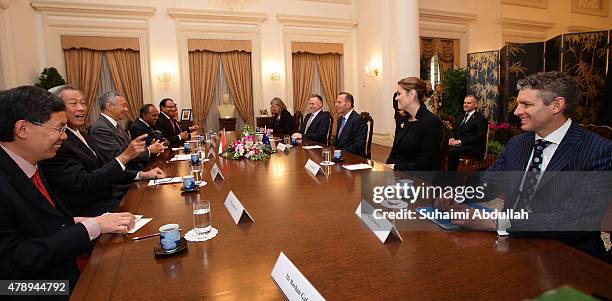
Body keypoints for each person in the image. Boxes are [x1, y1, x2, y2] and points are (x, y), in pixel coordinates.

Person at [435, 71, 612, 262]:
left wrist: (493, 222)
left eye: (526, 104)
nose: (517, 111)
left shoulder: (599, 151)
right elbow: (490, 183)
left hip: (569, 257)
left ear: (557, 105)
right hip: (512, 246)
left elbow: (575, 220)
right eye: (519, 103)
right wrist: (459, 195)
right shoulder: (518, 143)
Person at [0, 86, 136, 297]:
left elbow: (43, 223)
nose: (64, 138)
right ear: (22, 129)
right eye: (59, 129)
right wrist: (92, 227)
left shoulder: (33, 161)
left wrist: (81, 221)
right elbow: (10, 265)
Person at [40, 86, 165, 216]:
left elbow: (105, 167)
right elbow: (84, 183)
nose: (81, 108)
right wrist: (126, 156)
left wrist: (141, 175)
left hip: (112, 196)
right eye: (73, 103)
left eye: (83, 103)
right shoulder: (58, 143)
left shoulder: (83, 134)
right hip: (93, 210)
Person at [89, 91, 164, 169]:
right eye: (123, 106)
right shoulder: (100, 128)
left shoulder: (115, 124)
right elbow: (119, 156)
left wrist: (152, 147)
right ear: (109, 106)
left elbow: (128, 148)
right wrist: (149, 150)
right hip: (124, 177)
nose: (126, 109)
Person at [385, 77, 444, 171]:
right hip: (398, 176)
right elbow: (394, 153)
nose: (396, 98)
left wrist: (395, 167)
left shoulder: (431, 122)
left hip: (419, 181)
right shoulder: (403, 120)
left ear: (412, 95)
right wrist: (386, 170)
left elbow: (426, 164)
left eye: (399, 94)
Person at [447, 95, 488, 171]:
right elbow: (453, 131)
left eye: (468, 103)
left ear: (475, 105)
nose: (465, 105)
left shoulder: (481, 119)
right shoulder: (460, 117)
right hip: (460, 146)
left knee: (453, 150)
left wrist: (460, 141)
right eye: (464, 102)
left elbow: (478, 137)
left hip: (474, 147)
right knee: (442, 147)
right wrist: (451, 138)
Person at [333, 92, 367, 157]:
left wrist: (340, 153)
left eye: (339, 102)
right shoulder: (340, 119)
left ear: (348, 104)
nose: (336, 105)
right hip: (340, 156)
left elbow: (358, 145)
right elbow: (338, 141)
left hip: (353, 158)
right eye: (336, 102)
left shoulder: (359, 120)